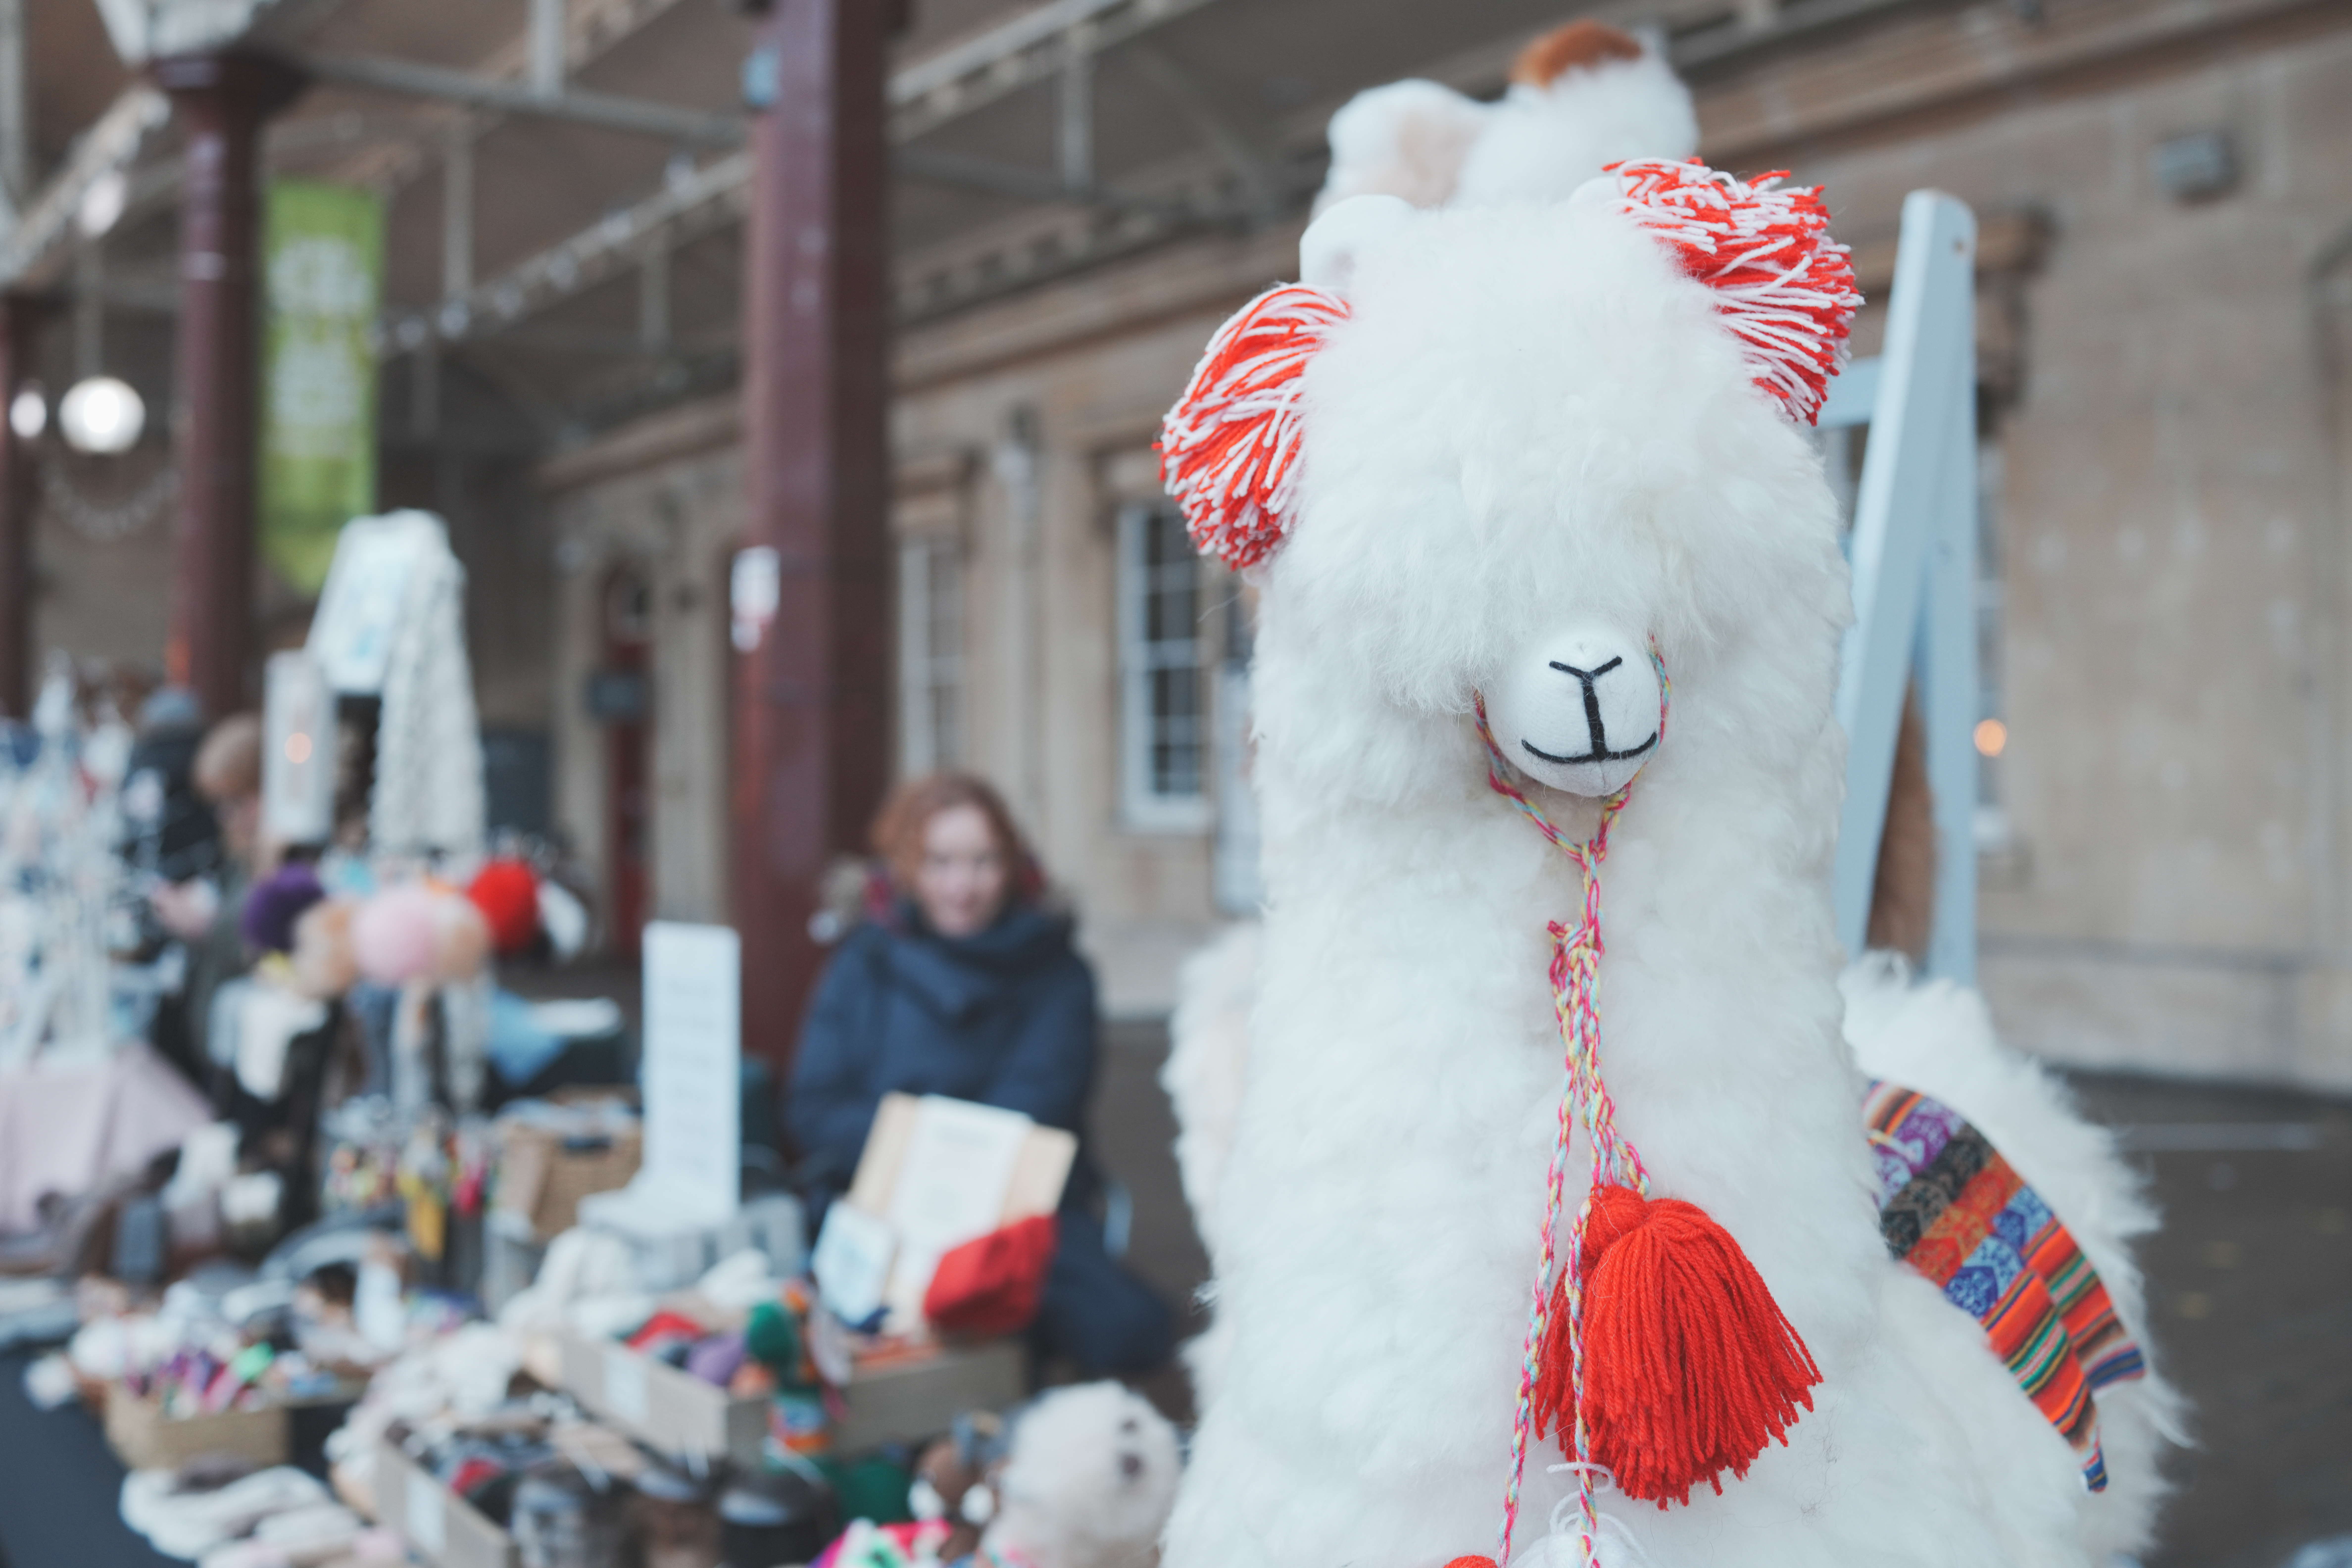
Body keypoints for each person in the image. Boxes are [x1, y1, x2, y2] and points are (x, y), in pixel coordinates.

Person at [787, 774, 1173, 1377]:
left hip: (1014, 1212)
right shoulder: (862, 963)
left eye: (983, 863)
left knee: (1111, 1331)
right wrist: (924, 1147)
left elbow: (1038, 1104)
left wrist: (915, 1128)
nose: (961, 887)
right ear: (908, 867)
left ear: (1013, 866)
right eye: (940, 863)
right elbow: (815, 1105)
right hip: (876, 1203)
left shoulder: (1057, 972)